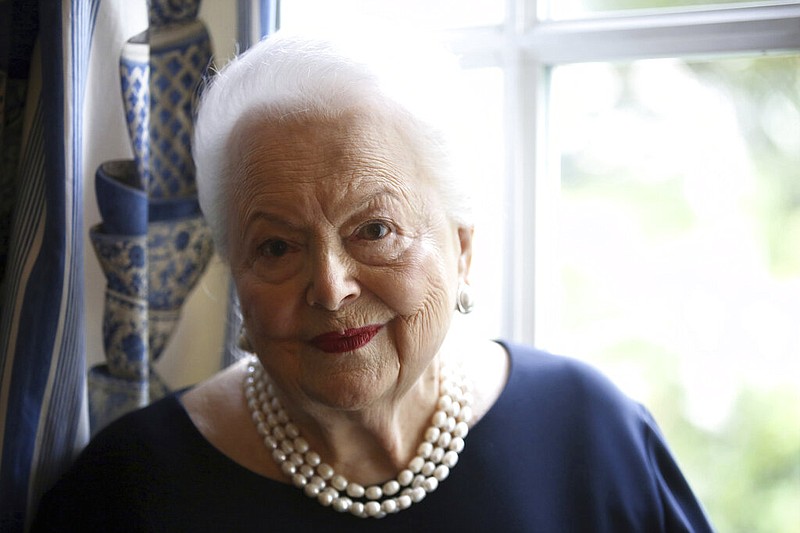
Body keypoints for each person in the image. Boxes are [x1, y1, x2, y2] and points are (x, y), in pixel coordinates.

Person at [33, 28, 714, 532]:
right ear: (237, 275)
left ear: (463, 247)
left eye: (375, 229)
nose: (329, 287)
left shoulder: (590, 434)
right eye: (275, 244)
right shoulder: (130, 490)